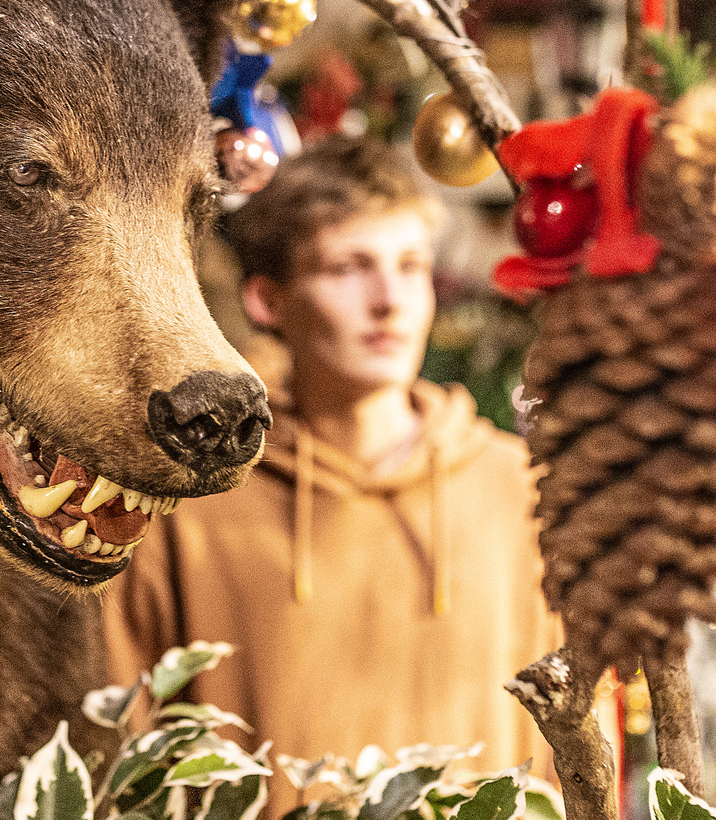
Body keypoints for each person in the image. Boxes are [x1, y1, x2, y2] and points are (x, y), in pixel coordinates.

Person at [103, 134, 556, 812]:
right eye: (348, 268)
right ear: (267, 300)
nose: (390, 301)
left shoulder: (517, 490)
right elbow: (124, 744)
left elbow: (571, 743)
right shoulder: (190, 504)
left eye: (411, 266)